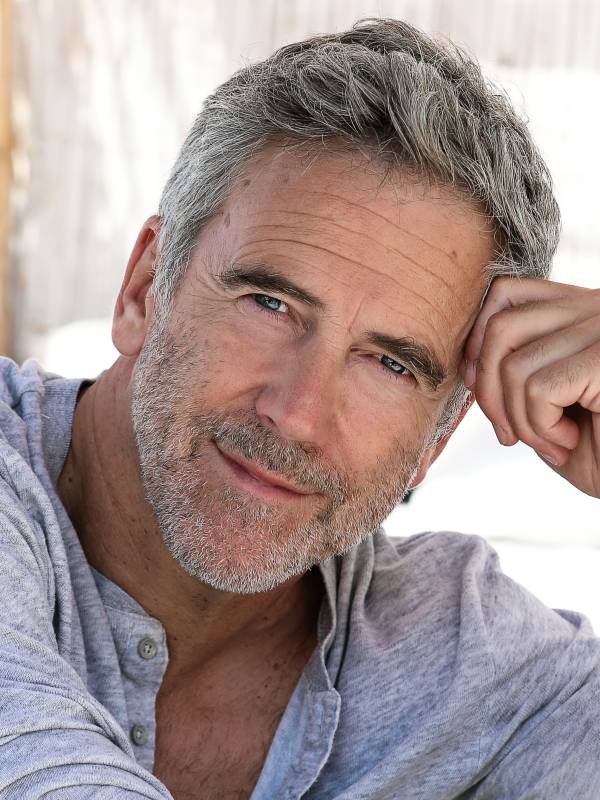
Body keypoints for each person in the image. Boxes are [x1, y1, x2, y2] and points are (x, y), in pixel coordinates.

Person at [1, 16, 599, 800]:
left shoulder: (469, 658)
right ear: (145, 289)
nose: (297, 414)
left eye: (389, 363)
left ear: (439, 437)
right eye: (270, 304)